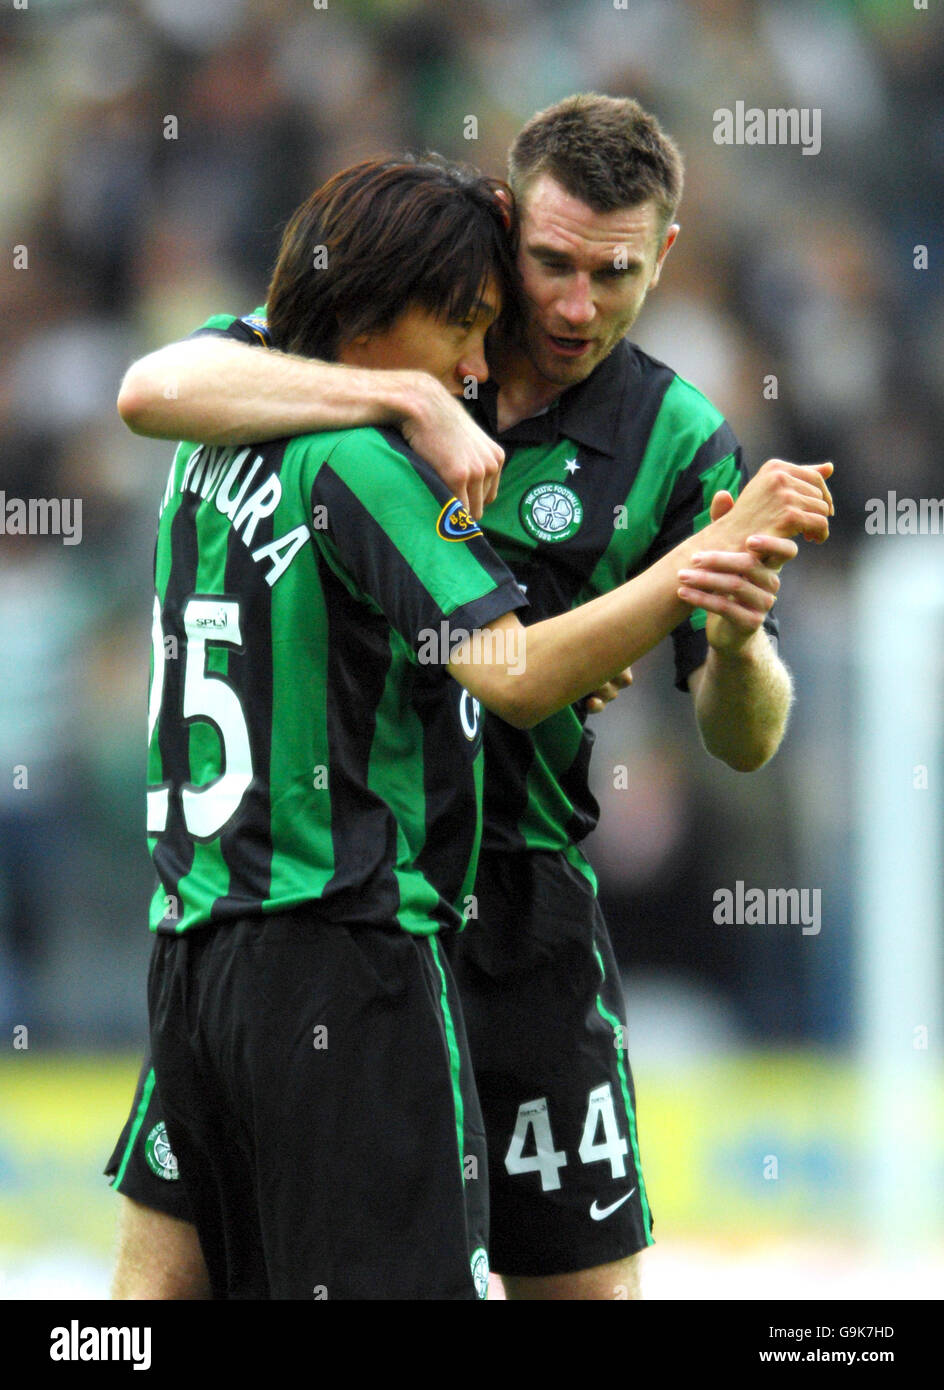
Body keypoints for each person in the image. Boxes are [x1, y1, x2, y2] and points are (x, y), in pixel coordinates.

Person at [110, 99, 834, 1300]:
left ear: (664, 252)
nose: (567, 307)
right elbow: (155, 383)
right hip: (349, 911)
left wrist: (733, 630)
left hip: (503, 910)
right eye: (544, 266)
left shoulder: (677, 439)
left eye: (612, 274)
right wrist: (408, 402)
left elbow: (741, 737)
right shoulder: (396, 332)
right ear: (502, 228)